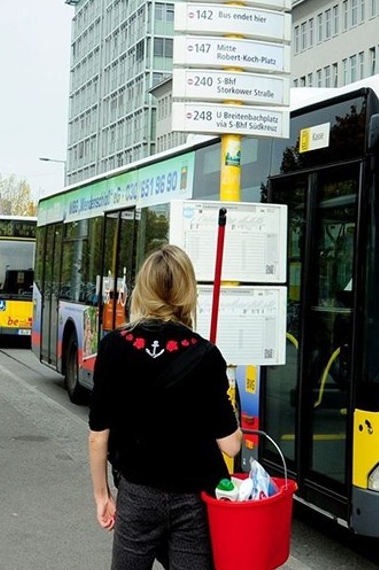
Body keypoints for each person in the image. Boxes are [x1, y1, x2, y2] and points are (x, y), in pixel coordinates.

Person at [88, 244, 242, 570]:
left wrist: (103, 497)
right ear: (188, 291)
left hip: (137, 495)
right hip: (192, 501)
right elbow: (231, 443)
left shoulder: (114, 346)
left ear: (142, 288)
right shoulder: (205, 354)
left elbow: (97, 436)